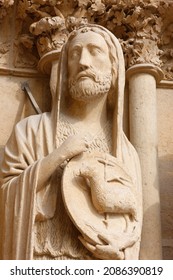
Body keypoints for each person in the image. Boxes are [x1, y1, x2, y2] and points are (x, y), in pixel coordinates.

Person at [0, 24, 142, 260]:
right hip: (41, 259)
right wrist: (57, 156)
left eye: (94, 51)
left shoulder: (126, 152)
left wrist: (121, 251)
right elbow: (6, 198)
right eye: (75, 54)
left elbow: (134, 219)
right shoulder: (32, 130)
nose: (83, 62)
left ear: (115, 69)